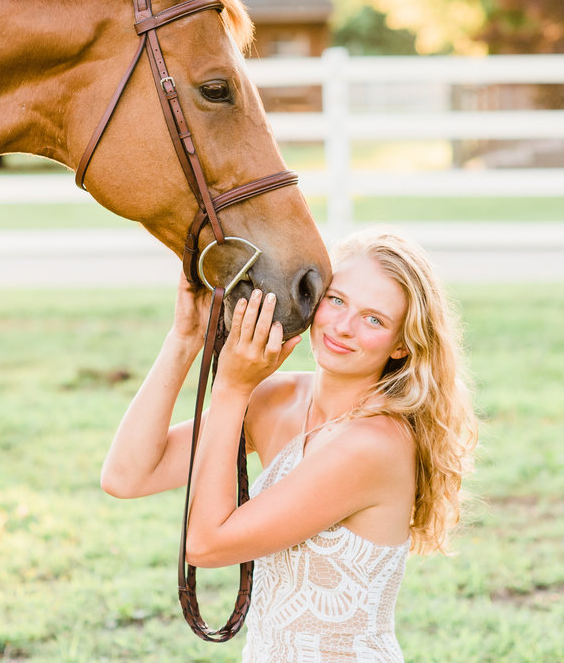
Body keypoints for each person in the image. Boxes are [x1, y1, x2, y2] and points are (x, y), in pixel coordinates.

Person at [99, 228, 477, 662]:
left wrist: (232, 389)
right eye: (337, 300)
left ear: (401, 345)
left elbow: (206, 545)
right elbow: (127, 476)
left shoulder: (374, 444)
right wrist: (184, 339)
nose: (344, 327)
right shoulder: (278, 399)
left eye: (374, 319)